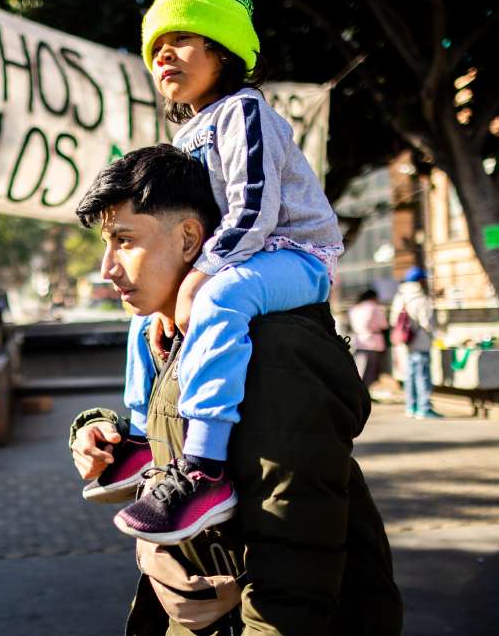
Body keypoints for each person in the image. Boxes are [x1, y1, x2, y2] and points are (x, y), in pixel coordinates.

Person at [70, 145, 401, 634]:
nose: (107, 267)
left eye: (124, 241)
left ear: (189, 239)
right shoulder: (171, 338)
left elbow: (296, 555)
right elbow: (169, 443)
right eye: (106, 243)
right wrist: (99, 432)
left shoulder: (271, 350)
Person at [108, 0, 346, 545]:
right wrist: (176, 287)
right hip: (245, 256)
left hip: (297, 256)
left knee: (220, 300)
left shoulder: (245, 111)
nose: (165, 53)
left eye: (184, 38)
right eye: (156, 44)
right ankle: (142, 443)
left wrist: (199, 275)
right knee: (144, 314)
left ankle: (206, 469)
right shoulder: (187, 133)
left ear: (225, 51)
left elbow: (256, 210)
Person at [390, 267, 443, 419]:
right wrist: (437, 335)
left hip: (404, 342)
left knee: (410, 376)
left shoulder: (400, 297)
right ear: (420, 281)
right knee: (423, 376)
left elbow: (393, 320)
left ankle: (410, 407)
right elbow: (427, 323)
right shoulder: (421, 299)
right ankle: (424, 408)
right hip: (420, 342)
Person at [349, 289, 389, 387]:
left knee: (359, 370)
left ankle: (360, 393)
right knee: (369, 373)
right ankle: (363, 393)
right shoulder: (373, 307)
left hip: (359, 341)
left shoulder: (355, 308)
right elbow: (384, 324)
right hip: (372, 342)